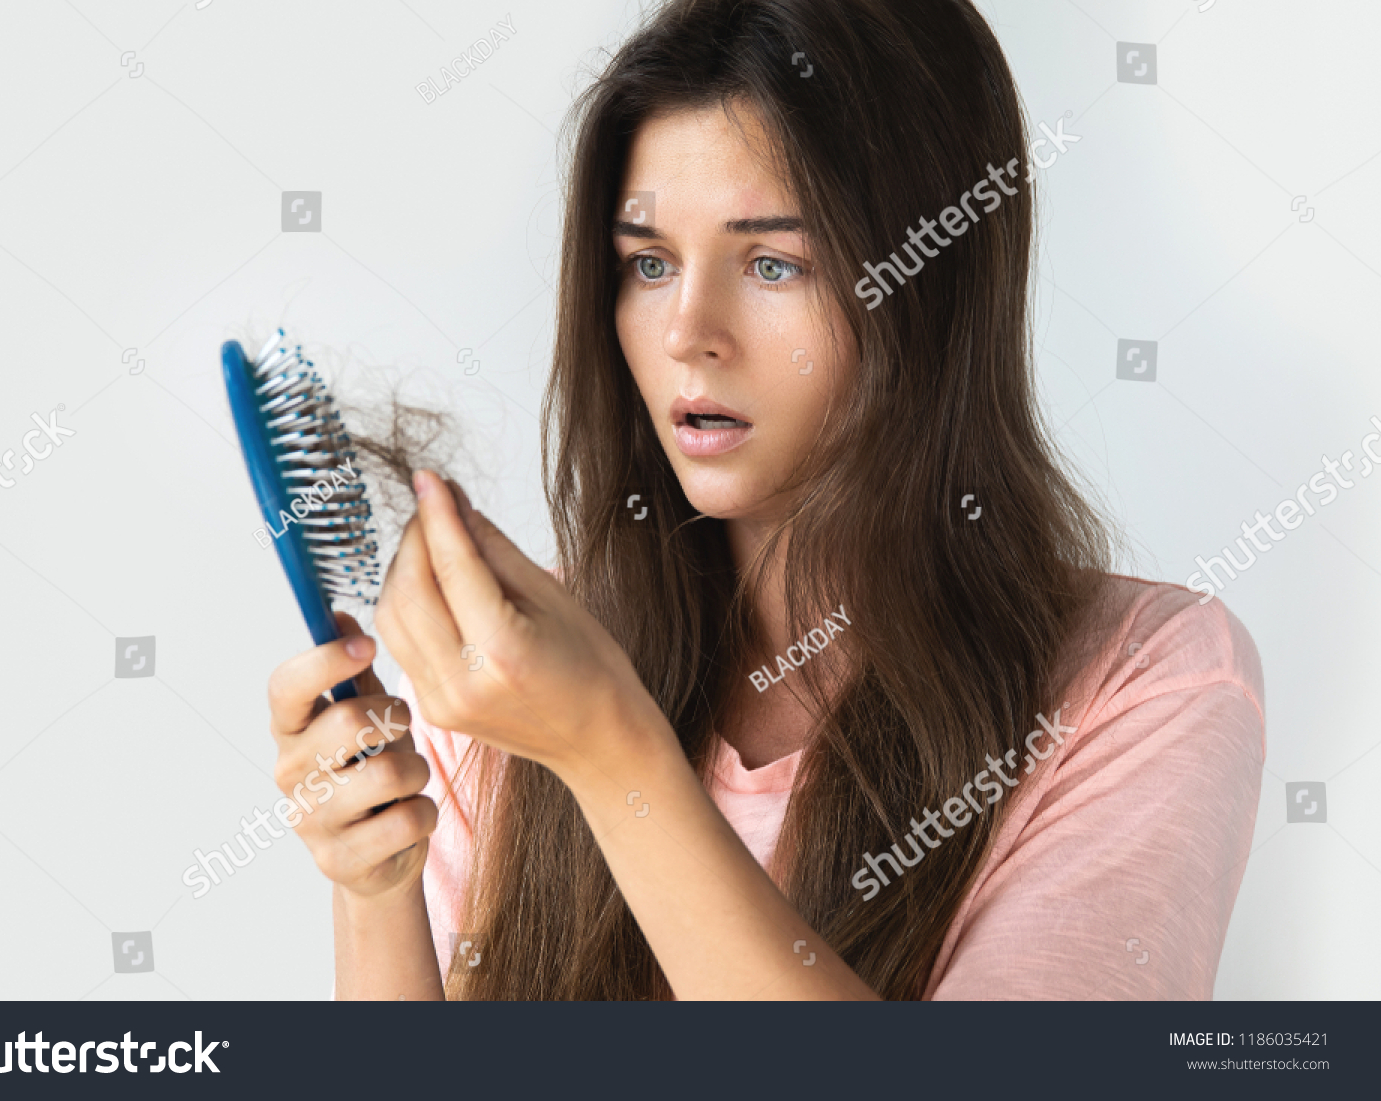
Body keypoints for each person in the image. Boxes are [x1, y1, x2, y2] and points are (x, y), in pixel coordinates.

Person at [265, 0, 1264, 1000]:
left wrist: (613, 755)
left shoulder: (1147, 685)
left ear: (929, 288)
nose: (687, 333)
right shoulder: (510, 684)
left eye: (774, 263)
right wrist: (373, 889)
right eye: (648, 263)